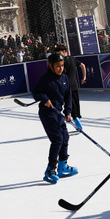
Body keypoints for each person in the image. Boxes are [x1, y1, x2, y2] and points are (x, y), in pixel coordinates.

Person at [33, 52, 78, 184]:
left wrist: (68, 112)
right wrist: (45, 99)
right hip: (48, 113)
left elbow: (68, 96)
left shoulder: (64, 78)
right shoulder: (45, 79)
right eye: (58, 66)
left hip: (58, 112)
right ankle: (50, 170)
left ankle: (63, 166)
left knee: (65, 137)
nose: (61, 69)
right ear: (51, 66)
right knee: (57, 139)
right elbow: (36, 92)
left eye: (62, 66)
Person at [52, 44, 86, 130]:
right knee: (75, 103)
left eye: (59, 53)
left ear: (64, 52)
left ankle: (73, 119)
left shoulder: (61, 62)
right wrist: (84, 77)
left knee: (66, 103)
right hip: (74, 85)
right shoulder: (73, 59)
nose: (58, 55)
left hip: (65, 86)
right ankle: (76, 117)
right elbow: (82, 65)